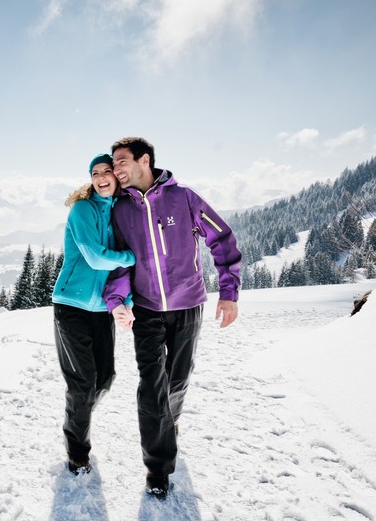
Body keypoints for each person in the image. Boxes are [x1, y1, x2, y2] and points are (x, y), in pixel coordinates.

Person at [103, 137, 242, 499]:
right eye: (113, 164)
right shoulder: (120, 210)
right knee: (151, 388)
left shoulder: (184, 198)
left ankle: (171, 419)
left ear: (144, 160)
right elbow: (120, 262)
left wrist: (229, 293)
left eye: (120, 162)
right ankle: (158, 468)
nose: (116, 169)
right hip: (146, 310)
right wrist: (117, 300)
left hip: (187, 305)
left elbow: (222, 239)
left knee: (176, 382)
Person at [52, 153, 136, 475]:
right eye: (95, 173)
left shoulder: (118, 214)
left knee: (105, 377)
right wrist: (132, 257)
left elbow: (117, 276)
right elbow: (94, 257)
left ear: (116, 178)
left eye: (106, 172)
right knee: (83, 382)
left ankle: (78, 412)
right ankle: (77, 452)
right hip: (70, 306)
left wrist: (124, 300)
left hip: (101, 309)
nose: (101, 177)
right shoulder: (82, 209)